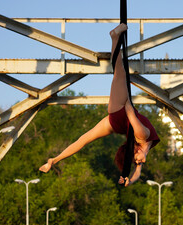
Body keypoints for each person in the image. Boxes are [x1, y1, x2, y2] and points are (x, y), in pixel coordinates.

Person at [39, 24, 160, 187]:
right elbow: (137, 172)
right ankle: (53, 160)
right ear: (137, 151)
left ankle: (114, 37)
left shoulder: (142, 137)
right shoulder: (142, 143)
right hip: (118, 121)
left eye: (134, 160)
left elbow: (129, 110)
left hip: (119, 112)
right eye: (136, 160)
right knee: (83, 140)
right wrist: (129, 179)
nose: (137, 162)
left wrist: (125, 93)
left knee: (120, 72)